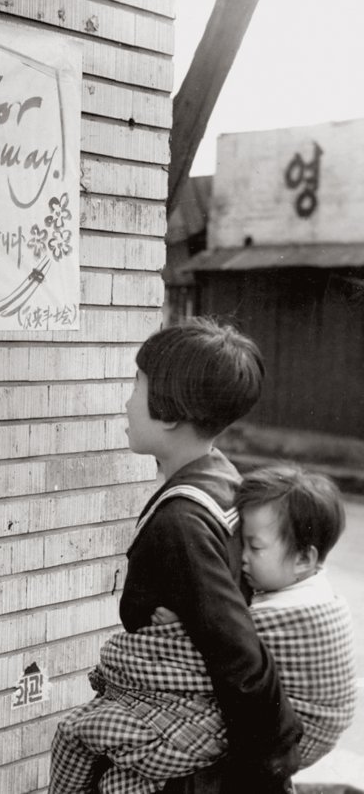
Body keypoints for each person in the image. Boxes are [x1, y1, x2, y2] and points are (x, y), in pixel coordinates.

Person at [49, 318, 303, 794]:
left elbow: (236, 652)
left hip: (190, 757)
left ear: (168, 412)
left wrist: (268, 766)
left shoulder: (179, 523)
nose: (126, 401)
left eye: (136, 386)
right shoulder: (226, 480)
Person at [62, 464, 357, 793]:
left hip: (293, 734)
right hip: (279, 734)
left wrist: (181, 627)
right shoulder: (311, 590)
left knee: (100, 747)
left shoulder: (296, 613)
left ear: (304, 559)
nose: (242, 558)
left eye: (255, 547)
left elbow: (224, 646)